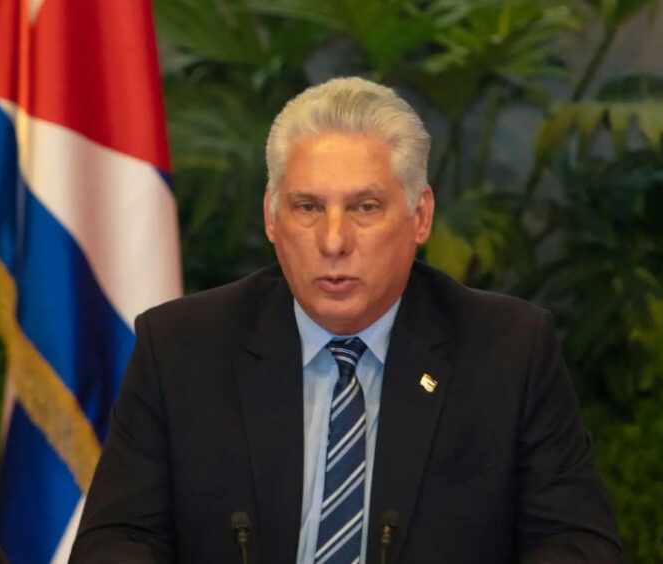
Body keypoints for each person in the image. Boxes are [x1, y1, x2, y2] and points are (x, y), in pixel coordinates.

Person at [70, 77, 624, 564]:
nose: (334, 241)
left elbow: (577, 544)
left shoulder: (508, 352)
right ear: (271, 216)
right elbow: (116, 541)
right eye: (308, 207)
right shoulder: (182, 349)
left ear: (420, 216)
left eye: (365, 207)